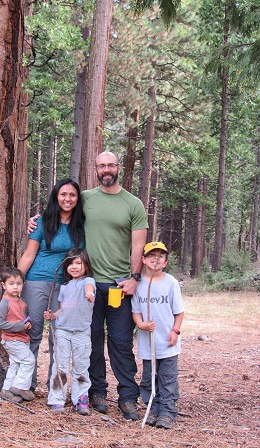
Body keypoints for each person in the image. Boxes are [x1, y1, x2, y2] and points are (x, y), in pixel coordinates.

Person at [28, 151, 148, 420]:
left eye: (110, 165)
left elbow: (139, 244)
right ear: (95, 169)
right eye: (101, 165)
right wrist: (35, 220)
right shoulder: (86, 198)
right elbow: (60, 204)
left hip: (119, 285)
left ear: (118, 167)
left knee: (120, 342)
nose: (106, 169)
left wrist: (135, 278)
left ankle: (128, 397)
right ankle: (96, 393)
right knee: (90, 341)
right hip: (85, 286)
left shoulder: (133, 204)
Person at [18, 178, 85, 392]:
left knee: (59, 337)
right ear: (56, 196)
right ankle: (26, 384)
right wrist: (17, 282)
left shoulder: (82, 224)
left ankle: (55, 389)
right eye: (63, 194)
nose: (67, 199)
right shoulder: (42, 222)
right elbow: (29, 254)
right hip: (37, 281)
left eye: (72, 195)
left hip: (66, 286)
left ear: (77, 199)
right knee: (33, 333)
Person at [132, 241, 184, 429]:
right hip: (148, 343)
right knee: (149, 378)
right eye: (151, 255)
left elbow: (179, 311)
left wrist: (175, 331)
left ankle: (167, 412)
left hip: (167, 342)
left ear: (165, 262)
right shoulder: (138, 284)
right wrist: (140, 324)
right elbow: (135, 310)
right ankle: (152, 409)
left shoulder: (170, 283)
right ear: (143, 259)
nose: (156, 259)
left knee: (168, 378)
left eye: (160, 256)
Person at [44, 248, 96, 415]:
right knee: (60, 366)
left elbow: (90, 289)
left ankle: (80, 398)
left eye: (78, 263)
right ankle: (57, 398)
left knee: (81, 366)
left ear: (86, 265)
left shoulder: (88, 282)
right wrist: (53, 316)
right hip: (63, 332)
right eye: (70, 263)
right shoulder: (65, 287)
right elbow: (63, 309)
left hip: (81, 332)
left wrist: (89, 294)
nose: (74, 267)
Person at [0, 267, 36, 403]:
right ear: (4, 285)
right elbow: (0, 323)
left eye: (18, 284)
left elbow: (22, 318)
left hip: (22, 338)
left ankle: (7, 390)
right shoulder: (5, 303)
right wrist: (19, 326)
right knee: (28, 360)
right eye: (11, 284)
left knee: (15, 364)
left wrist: (28, 323)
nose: (15, 287)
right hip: (12, 340)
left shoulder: (21, 302)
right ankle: (20, 387)